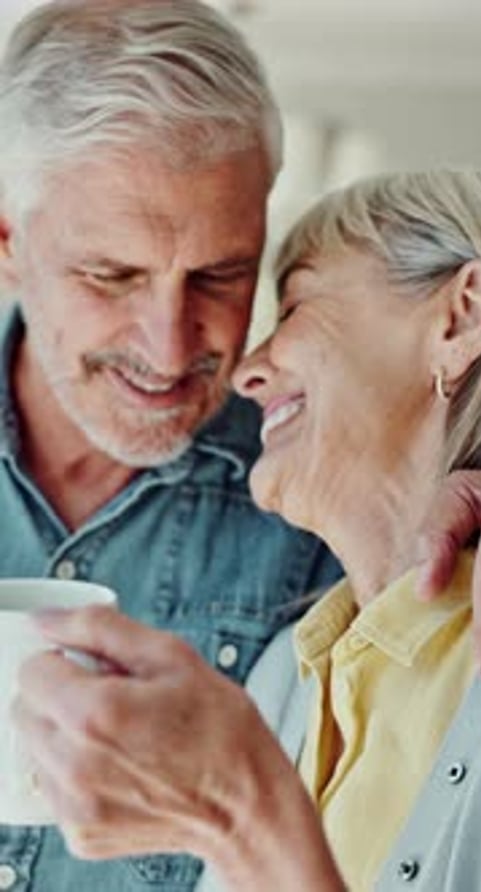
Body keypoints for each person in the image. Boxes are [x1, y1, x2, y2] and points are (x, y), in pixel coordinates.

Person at [15, 168, 481, 892]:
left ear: (460, 318)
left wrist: (245, 815)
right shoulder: (284, 675)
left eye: (297, 303)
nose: (247, 370)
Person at [0, 2, 344, 891]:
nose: (168, 345)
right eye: (111, 276)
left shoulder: (315, 508)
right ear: (8, 241)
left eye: (221, 275)